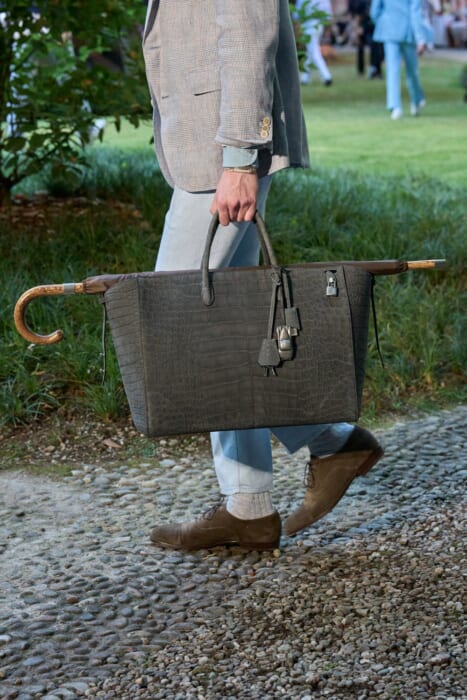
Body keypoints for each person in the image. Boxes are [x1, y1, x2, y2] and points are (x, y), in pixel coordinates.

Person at [142, 0, 384, 552]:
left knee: (178, 321)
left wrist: (238, 158)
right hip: (209, 145)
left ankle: (326, 441)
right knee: (223, 323)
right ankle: (249, 505)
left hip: (225, 153)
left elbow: (248, 33)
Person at [370, 0, 427, 119]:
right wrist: (420, 38)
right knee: (411, 70)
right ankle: (414, 100)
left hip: (391, 30)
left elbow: (374, 12)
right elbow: (415, 12)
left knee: (393, 70)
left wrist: (383, 22)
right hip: (406, 30)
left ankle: (396, 105)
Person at [294, 0, 333, 85]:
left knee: (314, 52)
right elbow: (328, 14)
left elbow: (297, 15)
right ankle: (305, 78)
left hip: (308, 25)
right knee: (310, 51)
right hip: (319, 25)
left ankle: (327, 76)